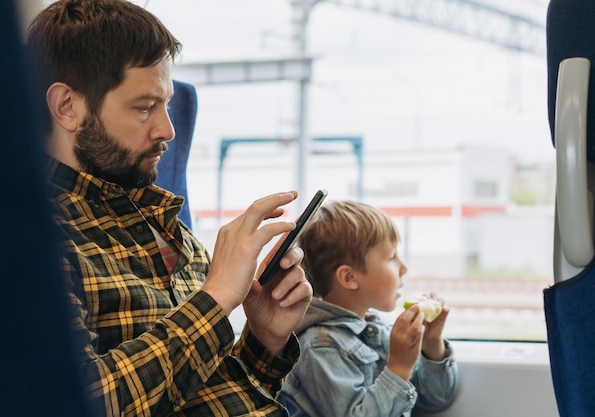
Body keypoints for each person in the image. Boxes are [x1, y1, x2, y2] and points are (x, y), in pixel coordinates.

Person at [25, 1, 312, 416]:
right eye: (144, 107)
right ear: (68, 106)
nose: (168, 130)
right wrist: (214, 301)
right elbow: (72, 402)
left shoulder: (166, 224)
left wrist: (265, 339)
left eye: (165, 104)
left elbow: (207, 392)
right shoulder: (30, 240)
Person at [278, 200, 458, 417]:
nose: (404, 268)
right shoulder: (321, 346)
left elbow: (436, 399)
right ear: (350, 278)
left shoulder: (376, 329)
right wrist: (399, 367)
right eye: (391, 257)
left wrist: (431, 343)